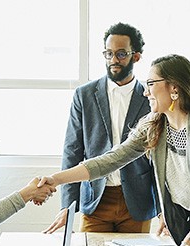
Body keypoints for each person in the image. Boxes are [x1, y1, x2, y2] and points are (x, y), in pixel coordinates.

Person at [39, 54, 190, 246]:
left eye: (151, 84)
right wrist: (56, 179)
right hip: (187, 224)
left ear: (174, 88)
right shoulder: (154, 125)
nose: (145, 91)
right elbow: (109, 160)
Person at [43, 22, 156, 234]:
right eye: (109, 53)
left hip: (137, 201)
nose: (114, 60)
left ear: (136, 56)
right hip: (95, 198)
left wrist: (163, 210)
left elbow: (160, 159)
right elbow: (72, 150)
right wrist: (67, 205)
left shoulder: (150, 97)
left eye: (121, 54)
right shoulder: (84, 95)